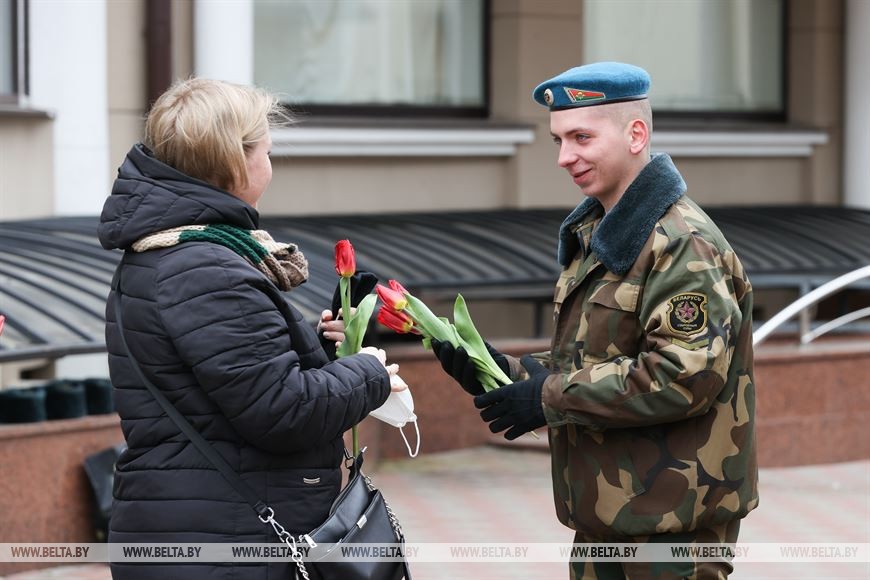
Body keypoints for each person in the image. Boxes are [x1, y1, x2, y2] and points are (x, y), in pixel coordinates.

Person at [433, 62, 758, 579]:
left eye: (582, 137)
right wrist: (499, 371)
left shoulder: (681, 244)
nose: (565, 157)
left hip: (669, 531)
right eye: (558, 140)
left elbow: (682, 376)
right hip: (611, 520)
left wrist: (545, 399)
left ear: (636, 134)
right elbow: (593, 361)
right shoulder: (601, 233)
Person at [99, 78, 400, 580]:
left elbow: (225, 385)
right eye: (266, 150)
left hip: (198, 528)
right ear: (236, 162)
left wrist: (317, 354)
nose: (270, 165)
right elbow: (284, 411)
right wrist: (369, 372)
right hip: (230, 544)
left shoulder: (167, 250)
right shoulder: (205, 267)